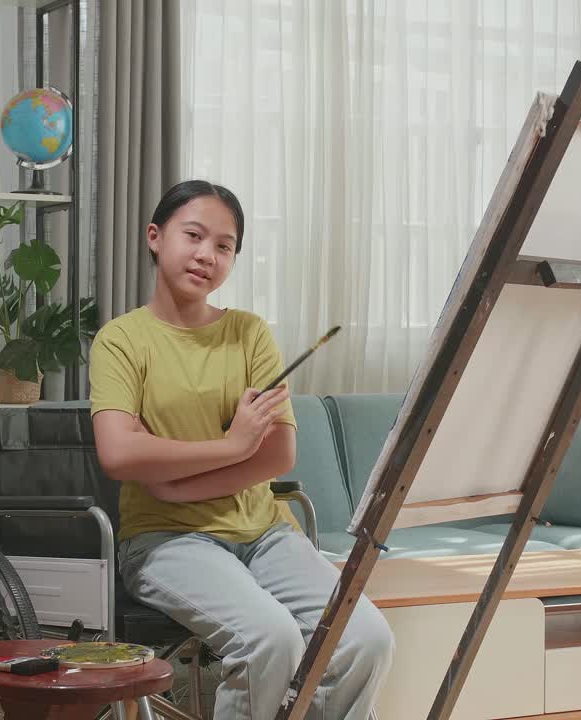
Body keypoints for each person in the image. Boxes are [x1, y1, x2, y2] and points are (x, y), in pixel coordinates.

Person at [88, 180, 394, 719]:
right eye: (194, 235)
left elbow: (277, 455)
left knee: (366, 639)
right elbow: (118, 453)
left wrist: (176, 481)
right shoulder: (122, 339)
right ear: (155, 237)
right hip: (166, 541)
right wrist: (231, 444)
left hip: (265, 532)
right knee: (269, 640)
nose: (207, 254)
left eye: (224, 246)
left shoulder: (250, 334)